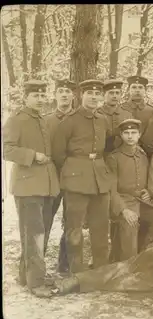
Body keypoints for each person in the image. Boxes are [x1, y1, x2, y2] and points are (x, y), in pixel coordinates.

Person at [3, 80, 60, 297]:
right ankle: (36, 283)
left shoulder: (43, 120)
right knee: (34, 234)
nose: (40, 99)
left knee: (39, 233)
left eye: (43, 95)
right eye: (35, 95)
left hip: (46, 186)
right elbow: (6, 149)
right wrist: (32, 155)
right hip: (27, 186)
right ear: (26, 97)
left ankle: (25, 275)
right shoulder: (16, 120)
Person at [52, 79, 112, 273]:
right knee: (74, 228)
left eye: (97, 94)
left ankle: (100, 271)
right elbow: (59, 153)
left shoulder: (103, 120)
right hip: (76, 179)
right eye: (89, 94)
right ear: (81, 96)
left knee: (101, 227)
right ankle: (75, 272)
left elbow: (107, 146)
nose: (94, 97)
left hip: (100, 180)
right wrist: (72, 171)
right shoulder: (69, 120)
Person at [106, 119, 153, 262]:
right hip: (124, 202)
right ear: (121, 135)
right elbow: (111, 189)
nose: (130, 136)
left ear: (139, 135)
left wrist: (148, 191)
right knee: (130, 223)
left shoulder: (142, 155)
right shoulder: (114, 158)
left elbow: (148, 180)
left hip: (142, 202)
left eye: (134, 133)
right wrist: (123, 210)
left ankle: (145, 260)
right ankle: (128, 267)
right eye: (126, 133)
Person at [44, 79, 77, 274]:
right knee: (45, 218)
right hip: (52, 177)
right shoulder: (46, 121)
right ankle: (38, 262)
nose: (64, 95)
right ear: (55, 95)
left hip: (75, 178)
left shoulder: (81, 119)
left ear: (74, 96)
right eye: (61, 91)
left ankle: (65, 263)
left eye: (68, 92)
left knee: (71, 220)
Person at [121, 76, 153, 147]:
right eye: (134, 87)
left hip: (146, 152)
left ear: (145, 90)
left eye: (140, 87)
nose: (137, 90)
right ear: (128, 89)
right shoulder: (120, 109)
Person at [99, 79, 133, 154]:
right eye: (111, 93)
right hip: (101, 155)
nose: (114, 96)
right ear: (103, 94)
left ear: (120, 95)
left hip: (122, 156)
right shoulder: (97, 113)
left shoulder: (127, 115)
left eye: (117, 93)